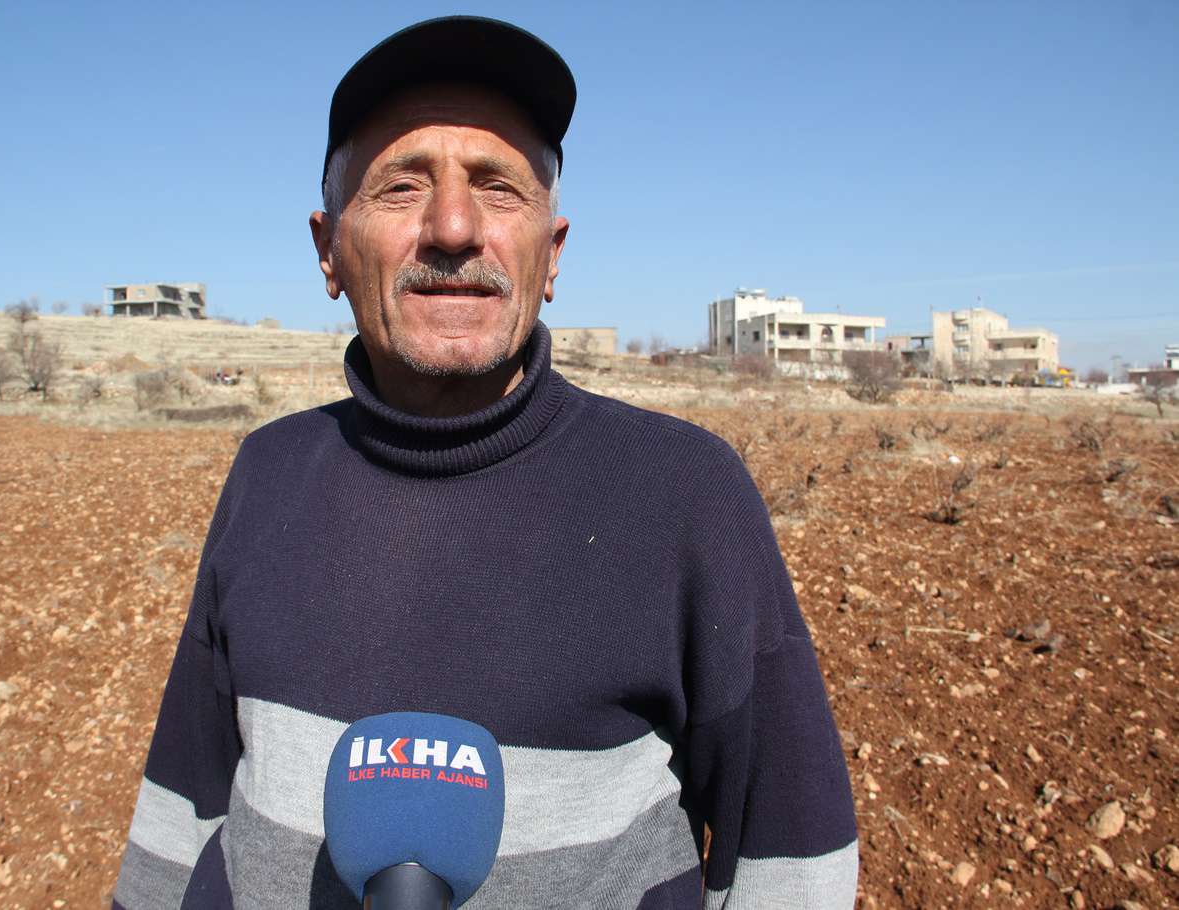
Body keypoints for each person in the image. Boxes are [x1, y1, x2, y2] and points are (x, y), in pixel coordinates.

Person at [114, 16, 857, 910]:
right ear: (327, 251)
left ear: (553, 254)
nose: (454, 228)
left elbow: (791, 858)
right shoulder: (267, 475)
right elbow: (181, 818)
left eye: (498, 188)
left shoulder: (687, 495)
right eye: (401, 186)